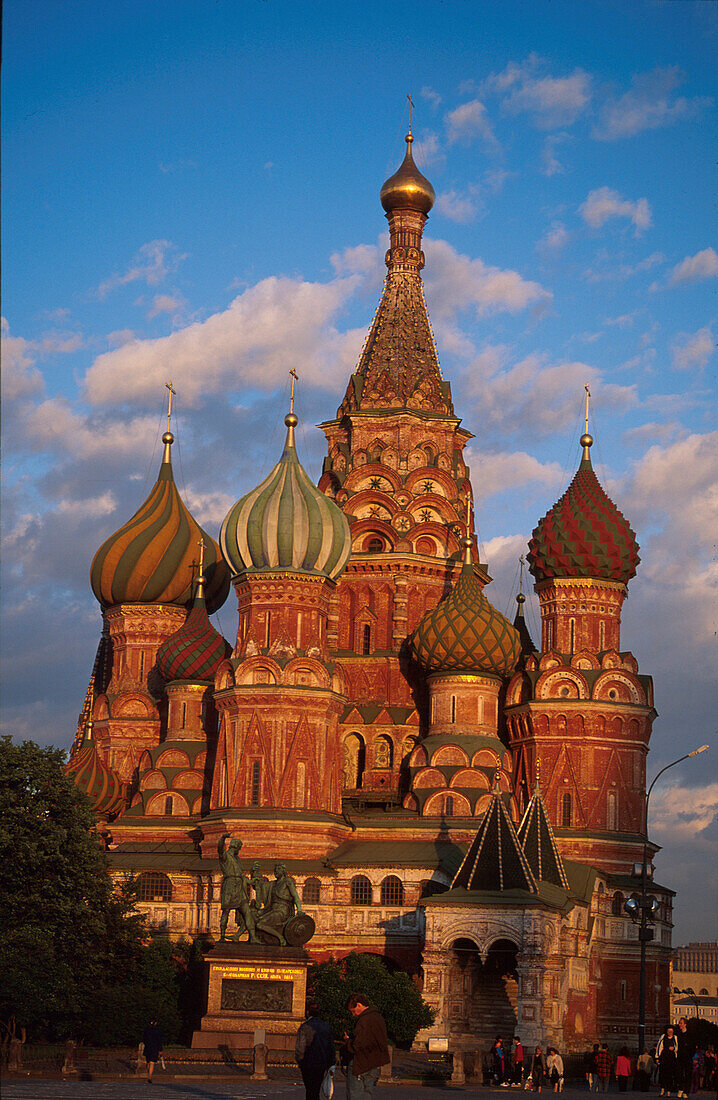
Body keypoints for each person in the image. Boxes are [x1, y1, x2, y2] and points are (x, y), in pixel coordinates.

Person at [344, 993, 390, 1098]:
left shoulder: (364, 1020)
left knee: (355, 1095)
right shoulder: (378, 1018)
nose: (353, 1014)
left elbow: (358, 1045)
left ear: (359, 1005)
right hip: (373, 1064)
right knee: (367, 1094)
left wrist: (347, 1041)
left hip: (360, 1064)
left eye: (353, 1011)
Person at [218, 833, 256, 942]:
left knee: (247, 912)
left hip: (239, 887)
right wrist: (222, 838)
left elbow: (242, 876)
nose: (239, 850)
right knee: (226, 911)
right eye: (239, 848)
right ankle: (222, 936)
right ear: (236, 847)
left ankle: (253, 937)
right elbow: (220, 849)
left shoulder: (237, 860)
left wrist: (250, 881)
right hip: (229, 886)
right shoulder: (225, 857)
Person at [254, 863, 302, 946]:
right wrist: (254, 873)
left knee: (260, 924)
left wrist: (299, 910)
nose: (276, 871)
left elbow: (295, 896)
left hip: (282, 911)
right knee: (253, 915)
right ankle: (253, 939)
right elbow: (258, 887)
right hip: (271, 909)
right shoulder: (273, 884)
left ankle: (280, 938)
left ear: (283, 871)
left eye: (279, 869)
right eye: (275, 869)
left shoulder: (287, 881)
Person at [296, 1001, 336, 1100]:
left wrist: (300, 1061)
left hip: (308, 1063)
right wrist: (331, 1062)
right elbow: (331, 1046)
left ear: (308, 1012)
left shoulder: (305, 1027)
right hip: (321, 1063)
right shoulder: (326, 1026)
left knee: (310, 1090)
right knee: (316, 1089)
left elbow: (300, 1047)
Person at [657, 1026, 679, 1096]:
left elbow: (677, 1047)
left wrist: (674, 1048)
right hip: (664, 1057)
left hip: (671, 1058)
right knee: (663, 1074)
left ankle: (669, 1091)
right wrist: (657, 1057)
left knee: (670, 1075)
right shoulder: (663, 1037)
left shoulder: (675, 1038)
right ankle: (662, 1090)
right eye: (669, 1031)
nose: (670, 1033)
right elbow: (659, 1046)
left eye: (671, 1031)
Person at [675, 1017, 694, 1099]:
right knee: (679, 1073)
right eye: (679, 1023)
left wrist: (691, 1055)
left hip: (688, 1057)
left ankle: (686, 1091)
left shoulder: (690, 1034)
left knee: (688, 1074)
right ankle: (680, 1089)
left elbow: (693, 1046)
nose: (679, 1024)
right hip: (679, 1057)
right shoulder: (678, 1034)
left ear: (685, 1024)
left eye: (681, 1023)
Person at [141, 1018, 162, 1085]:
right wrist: (160, 1050)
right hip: (154, 1048)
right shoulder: (157, 1030)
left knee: (148, 1062)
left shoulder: (146, 1030)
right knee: (152, 1063)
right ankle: (150, 1076)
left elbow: (144, 1039)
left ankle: (149, 1074)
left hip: (147, 1047)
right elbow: (159, 1041)